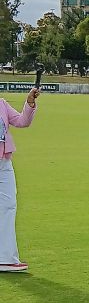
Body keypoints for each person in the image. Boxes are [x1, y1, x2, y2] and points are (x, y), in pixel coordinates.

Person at [0, 85, 40, 272]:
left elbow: (22, 121)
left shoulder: (1, 104)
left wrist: (30, 103)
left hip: (4, 162)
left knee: (9, 205)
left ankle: (6, 258)